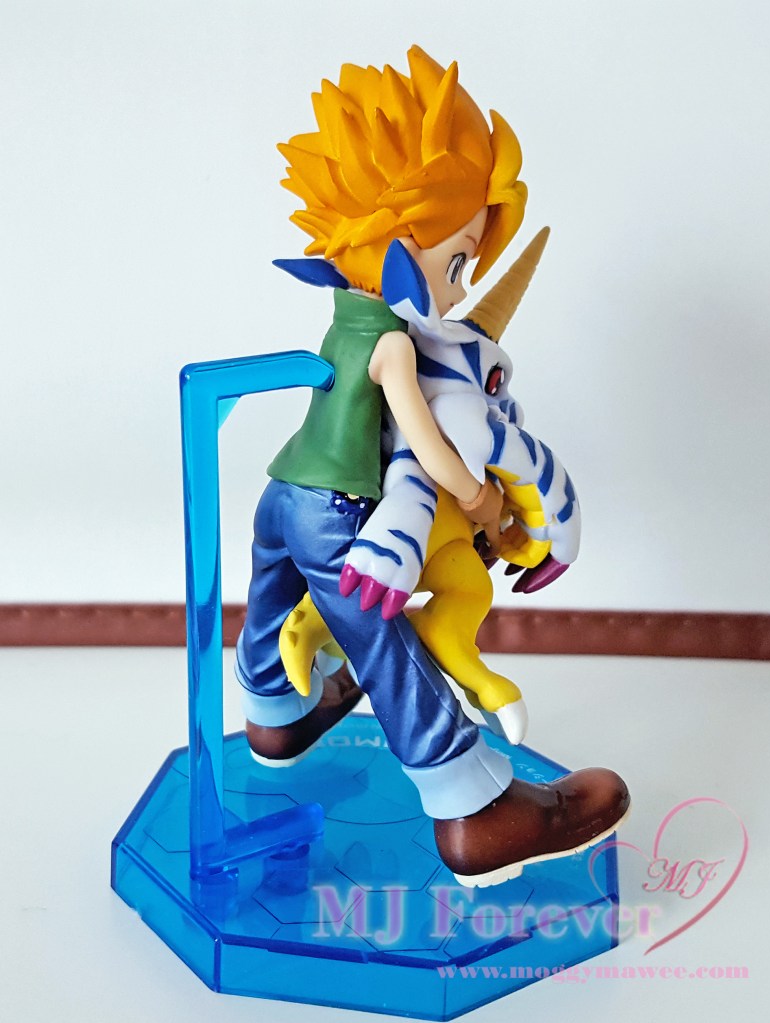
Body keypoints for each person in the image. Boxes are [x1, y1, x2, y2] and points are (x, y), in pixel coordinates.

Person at [235, 45, 629, 887]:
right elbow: (429, 445)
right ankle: (473, 809)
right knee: (384, 648)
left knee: (269, 598)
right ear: (395, 245)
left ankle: (275, 712)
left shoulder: (344, 312)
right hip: (337, 511)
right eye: (455, 263)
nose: (457, 292)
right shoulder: (392, 343)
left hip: (282, 493)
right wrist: (482, 501)